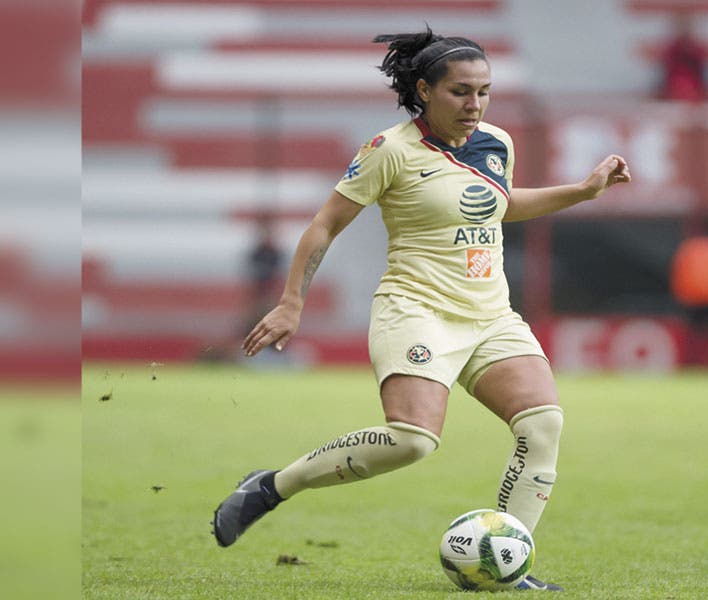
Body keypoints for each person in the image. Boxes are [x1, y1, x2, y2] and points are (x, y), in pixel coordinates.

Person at [211, 28, 631, 591]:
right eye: (460, 91)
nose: (475, 104)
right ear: (425, 90)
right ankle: (271, 486)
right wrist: (291, 302)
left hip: (491, 316)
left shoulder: (496, 143)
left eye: (483, 91)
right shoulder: (390, 150)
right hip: (417, 311)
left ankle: (506, 568)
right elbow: (325, 224)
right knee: (413, 440)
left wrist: (582, 191)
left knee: (542, 425)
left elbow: (496, 206)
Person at [656, 11, 708, 102]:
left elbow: (705, 80)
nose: (684, 31)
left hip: (694, 97)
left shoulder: (698, 51)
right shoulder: (670, 51)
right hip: (673, 96)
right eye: (681, 27)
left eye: (686, 27)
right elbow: (663, 79)